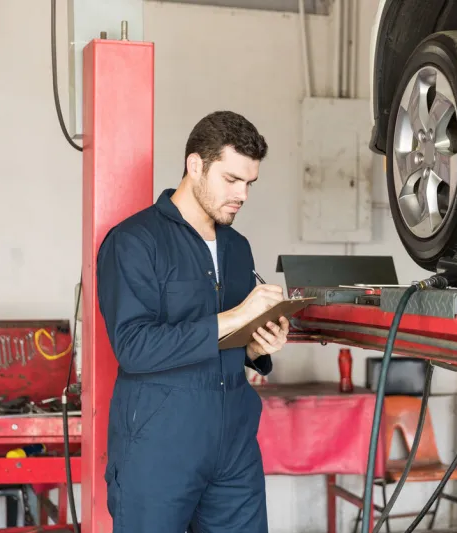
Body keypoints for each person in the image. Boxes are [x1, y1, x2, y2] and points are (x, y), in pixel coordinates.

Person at [96, 110, 289, 533]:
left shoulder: (238, 248)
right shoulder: (133, 242)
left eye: (250, 183)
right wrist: (236, 316)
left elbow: (233, 342)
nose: (243, 195)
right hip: (159, 448)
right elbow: (133, 347)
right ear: (195, 165)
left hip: (234, 446)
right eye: (232, 180)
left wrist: (258, 347)